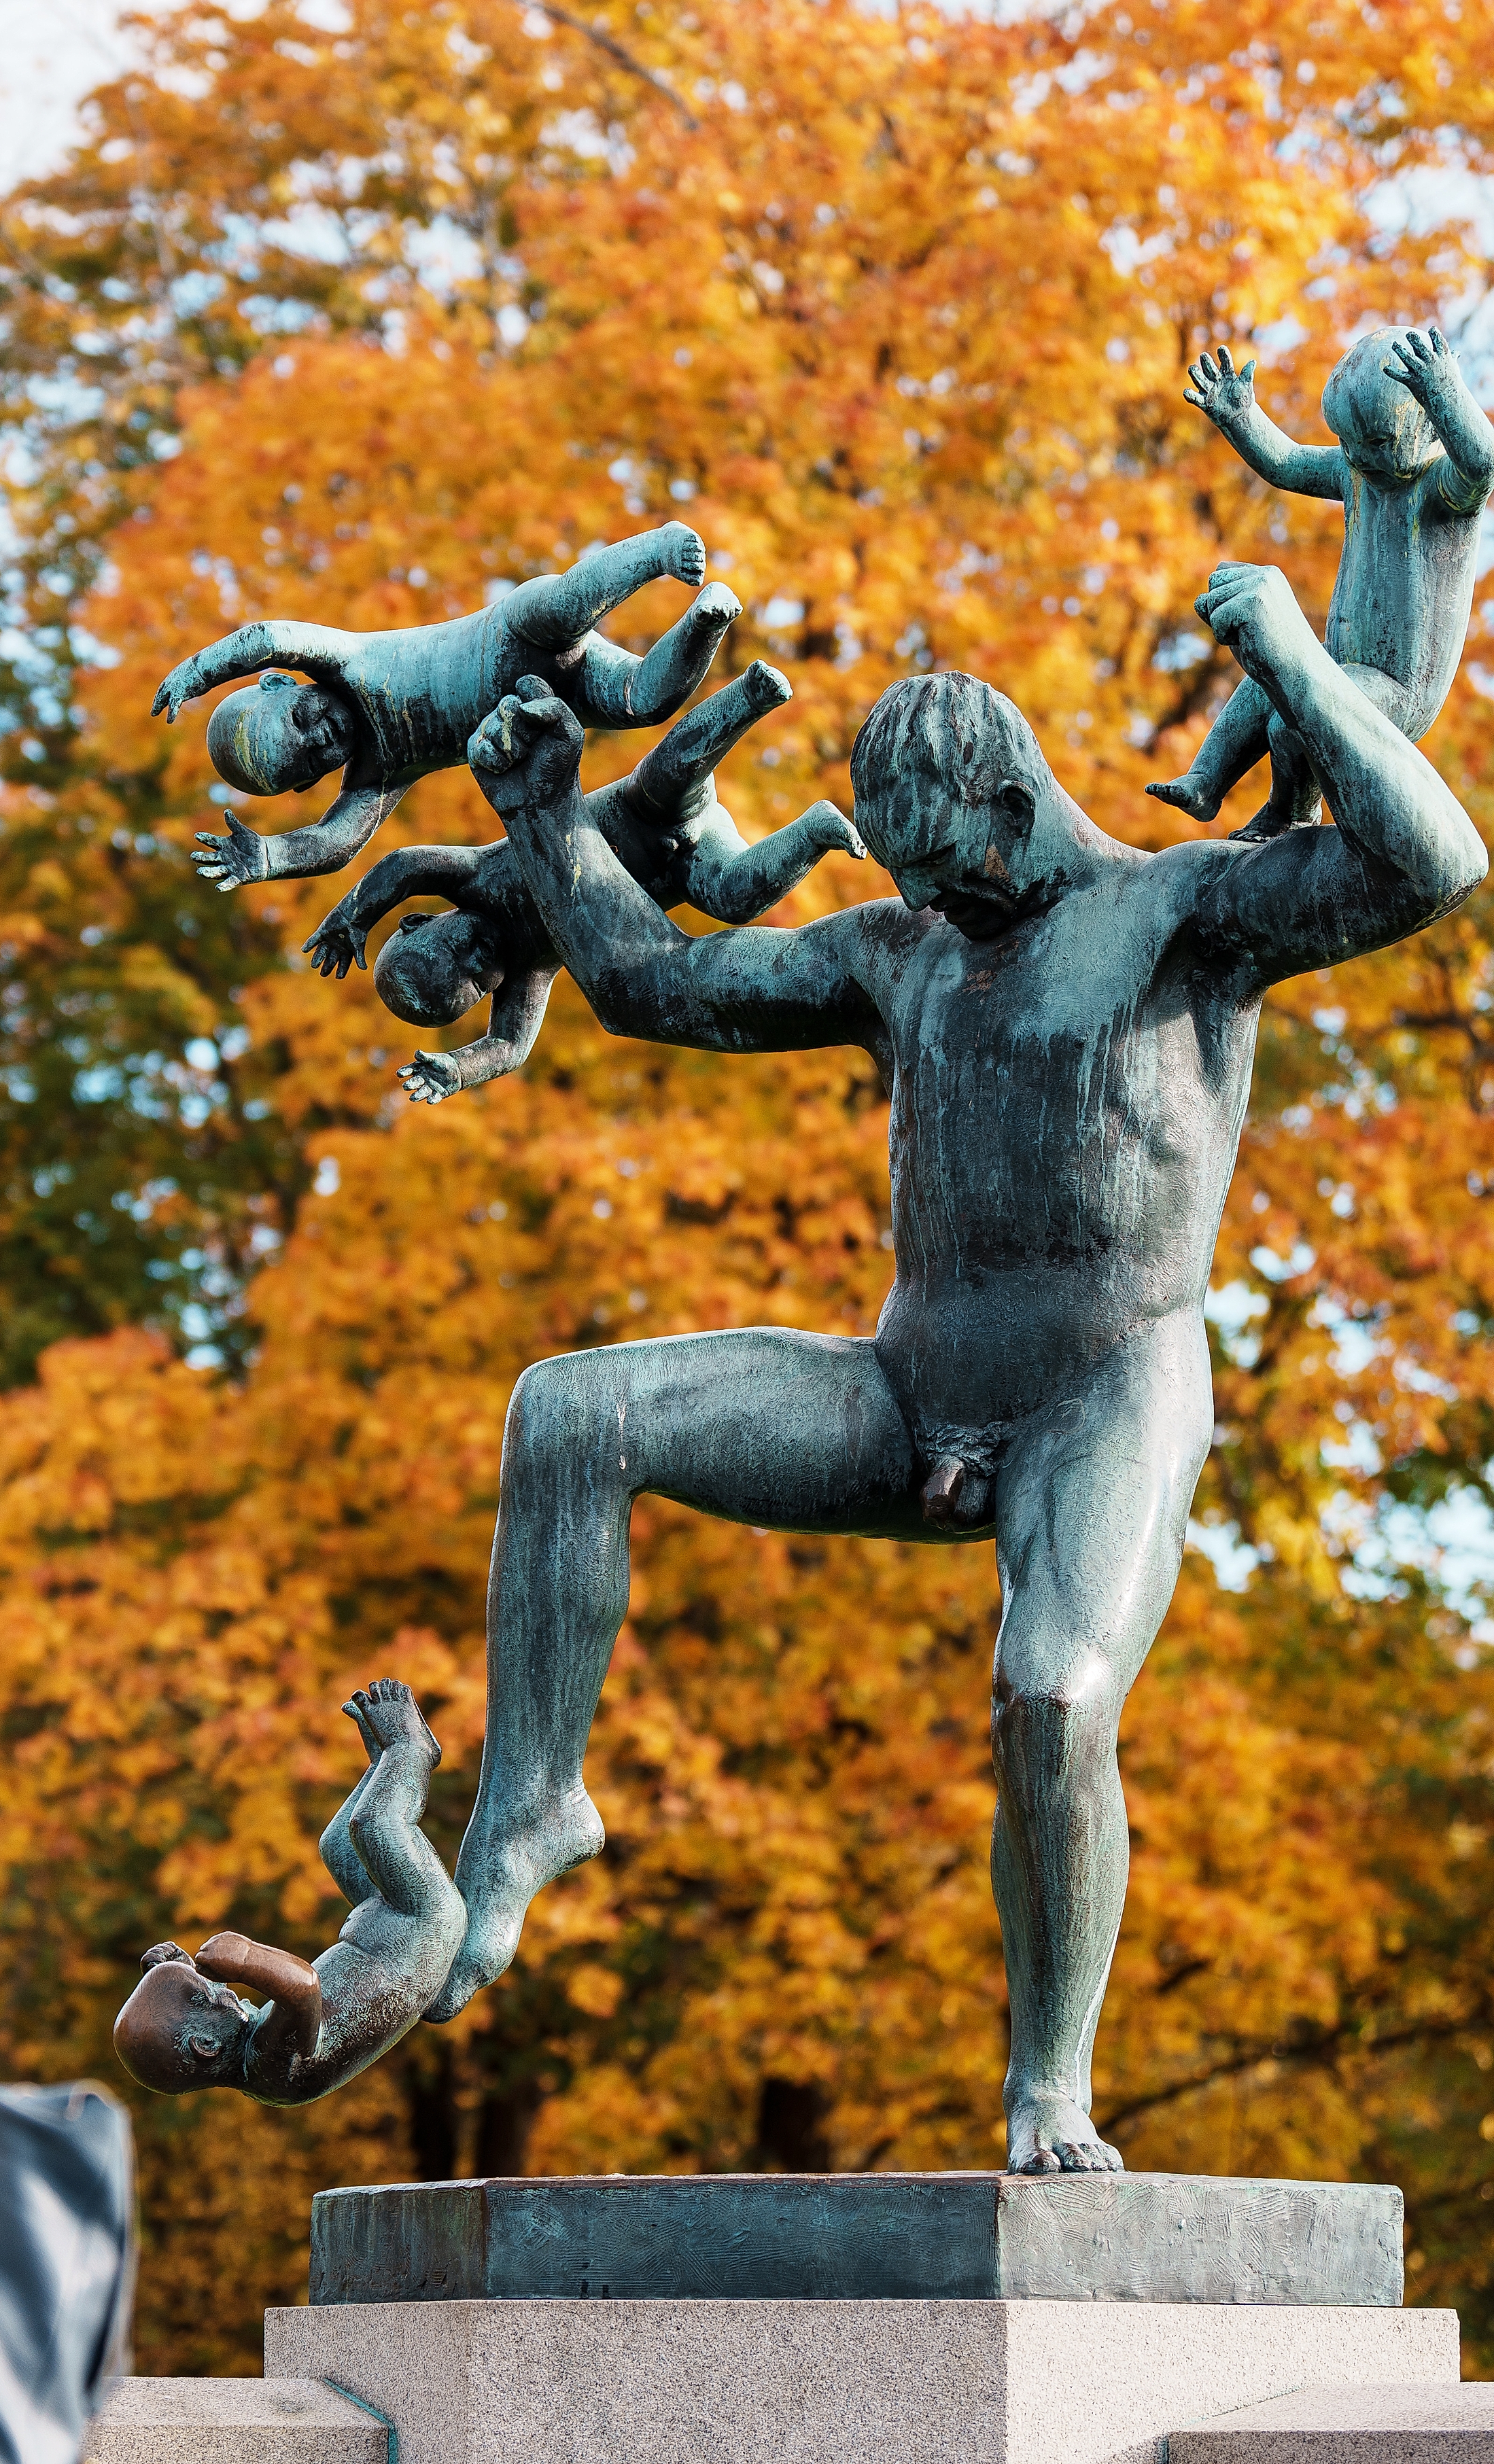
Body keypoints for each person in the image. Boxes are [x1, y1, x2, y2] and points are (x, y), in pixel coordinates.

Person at [424, 560, 1482, 2175]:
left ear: (1011, 799)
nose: (938, 905)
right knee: (569, 1414)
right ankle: (525, 1814)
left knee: (1049, 1699)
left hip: (1103, 1389)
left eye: (951, 869)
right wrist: (546, 824)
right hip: (907, 1387)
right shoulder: (898, 953)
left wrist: (1279, 646)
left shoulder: (1183, 914)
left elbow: (1434, 862)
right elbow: (652, 991)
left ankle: (1046, 2086)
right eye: (912, 881)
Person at [296, 658, 864, 1102]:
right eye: (472, 981)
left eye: (456, 946)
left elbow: (405, 865)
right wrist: (457, 1070)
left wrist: (354, 914)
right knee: (735, 897)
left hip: (641, 816)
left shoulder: (470, 880)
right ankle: (815, 832)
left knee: (670, 773)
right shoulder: (528, 974)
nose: (477, 955)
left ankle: (749, 696)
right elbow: (510, 1047)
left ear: (421, 920)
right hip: (685, 870)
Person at [150, 521, 740, 890]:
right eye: (311, 760)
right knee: (644, 700)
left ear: (282, 685)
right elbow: (335, 845)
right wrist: (271, 858)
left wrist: (199, 670)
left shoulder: (346, 659)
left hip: (509, 635)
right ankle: (708, 620)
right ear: (312, 783)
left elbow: (270, 637)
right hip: (555, 697)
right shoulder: (380, 774)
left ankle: (657, 551)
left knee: (566, 605)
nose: (322, 737)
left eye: (302, 721)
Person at [1149, 325, 1493, 838]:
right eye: (1347, 443)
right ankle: (1206, 782)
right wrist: (1241, 417)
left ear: (1426, 424)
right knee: (1262, 678)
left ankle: (1289, 812)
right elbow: (1285, 464)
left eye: (1377, 442)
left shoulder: (1442, 490)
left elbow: (1483, 461)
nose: (1359, 456)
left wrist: (1445, 393)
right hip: (1341, 663)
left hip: (1398, 690)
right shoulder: (1359, 473)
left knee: (1292, 719)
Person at [113, 1680, 464, 2107]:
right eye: (207, 1996)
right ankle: (411, 1751)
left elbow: (201, 2001)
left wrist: (176, 1971)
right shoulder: (269, 2065)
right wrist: (246, 1959)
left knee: (335, 1843)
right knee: (373, 1826)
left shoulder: (248, 2056)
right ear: (205, 2047)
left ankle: (383, 1765)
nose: (221, 1990)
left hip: (382, 1923)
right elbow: (302, 1987)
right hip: (420, 1925)